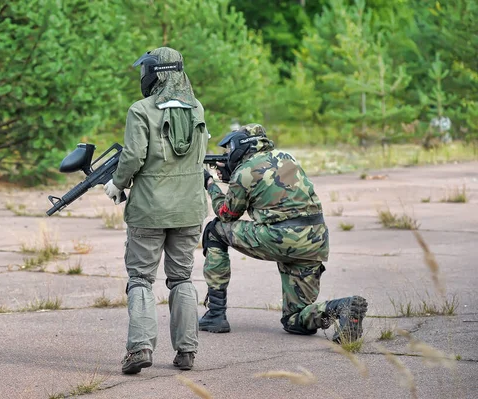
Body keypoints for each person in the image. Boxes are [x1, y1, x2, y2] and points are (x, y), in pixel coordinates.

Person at [199, 123, 368, 343]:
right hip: (315, 240)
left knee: (215, 231)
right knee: (295, 320)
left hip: (281, 238)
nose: (227, 154)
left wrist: (210, 183)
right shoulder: (288, 158)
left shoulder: (244, 171)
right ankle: (342, 308)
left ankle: (215, 314)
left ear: (242, 146)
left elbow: (227, 214)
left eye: (229, 149)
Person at [104, 47, 208, 374]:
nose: (143, 77)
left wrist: (117, 184)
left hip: (149, 209)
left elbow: (134, 156)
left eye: (145, 71)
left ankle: (140, 348)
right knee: (181, 279)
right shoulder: (197, 108)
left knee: (140, 279)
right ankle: (187, 351)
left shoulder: (141, 110)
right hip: (189, 209)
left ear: (157, 73)